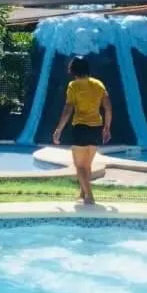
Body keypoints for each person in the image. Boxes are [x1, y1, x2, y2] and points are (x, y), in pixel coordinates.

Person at [52, 55, 112, 205]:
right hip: (96, 127)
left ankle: (90, 196)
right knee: (87, 165)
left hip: (80, 128)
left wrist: (59, 129)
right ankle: (82, 194)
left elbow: (68, 109)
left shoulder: (73, 86)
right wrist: (107, 128)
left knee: (79, 166)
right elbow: (108, 108)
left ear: (73, 70)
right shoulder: (99, 84)